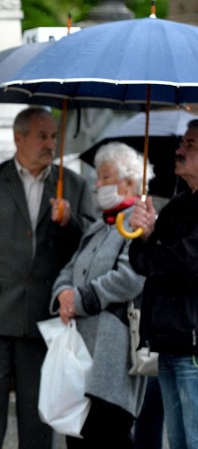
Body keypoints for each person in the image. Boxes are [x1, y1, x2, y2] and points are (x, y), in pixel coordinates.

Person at [0, 107, 95, 449]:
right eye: (42, 136)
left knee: (38, 421)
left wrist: (70, 221)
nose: (50, 144)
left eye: (53, 137)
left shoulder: (72, 185)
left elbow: (92, 248)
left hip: (45, 321)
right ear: (18, 138)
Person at [50, 142, 151, 448]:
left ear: (129, 182)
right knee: (79, 437)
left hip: (112, 353)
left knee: (109, 435)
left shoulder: (136, 224)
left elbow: (129, 277)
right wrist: (62, 294)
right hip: (81, 352)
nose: (98, 185)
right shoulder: (98, 226)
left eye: (107, 177)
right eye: (99, 177)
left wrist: (78, 300)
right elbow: (70, 269)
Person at [129, 119, 198, 449]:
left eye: (190, 145)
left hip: (193, 343)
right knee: (179, 440)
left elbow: (185, 262)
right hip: (169, 341)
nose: (179, 150)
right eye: (182, 143)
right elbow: (141, 262)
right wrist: (146, 234)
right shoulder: (179, 205)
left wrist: (153, 243)